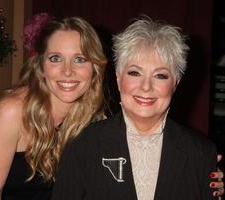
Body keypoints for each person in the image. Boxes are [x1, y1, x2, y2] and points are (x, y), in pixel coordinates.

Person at [51, 17, 224, 200]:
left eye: (160, 75)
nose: (146, 87)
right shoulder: (83, 145)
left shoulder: (201, 153)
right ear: (118, 79)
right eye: (135, 73)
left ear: (175, 83)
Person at [0, 16, 107, 199]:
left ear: (95, 68)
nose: (67, 71)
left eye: (79, 59)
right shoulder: (12, 111)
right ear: (41, 66)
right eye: (55, 58)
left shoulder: (90, 117)